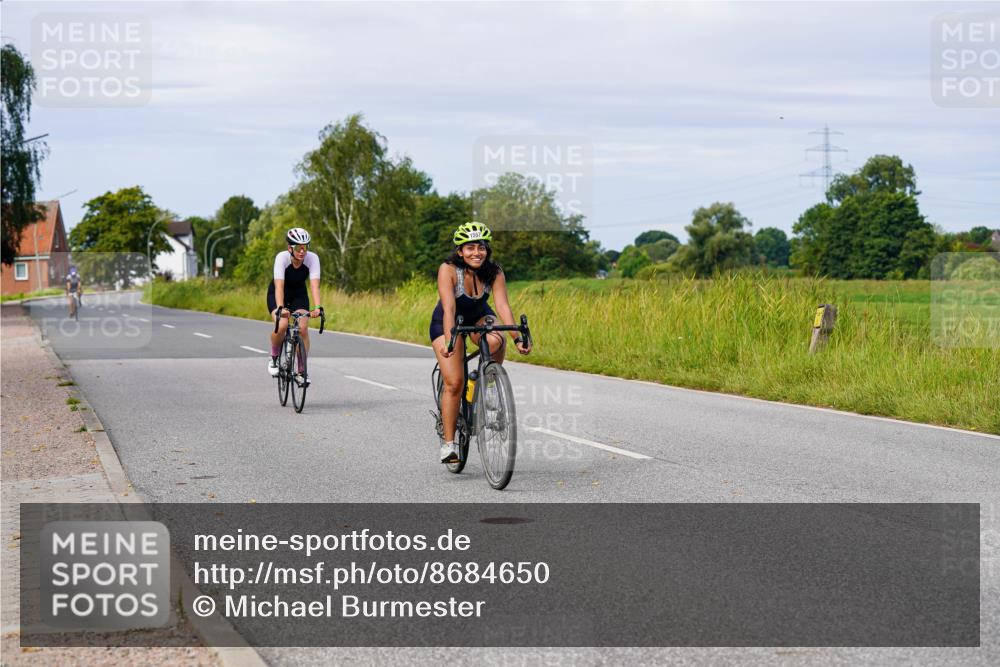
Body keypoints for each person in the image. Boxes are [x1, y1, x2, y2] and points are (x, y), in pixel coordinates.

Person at [430, 222, 531, 463]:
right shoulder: (448, 269)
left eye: (482, 247)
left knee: (497, 339)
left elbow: (502, 306)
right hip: (448, 320)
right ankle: (448, 443)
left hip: (478, 315)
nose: (477, 252)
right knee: (454, 383)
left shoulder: (494, 271)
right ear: (460, 251)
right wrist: (450, 340)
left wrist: (518, 338)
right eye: (471, 248)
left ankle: (483, 379)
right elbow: (449, 307)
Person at [267, 228, 322, 380]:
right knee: (283, 325)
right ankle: (274, 358)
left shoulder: (312, 259)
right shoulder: (282, 258)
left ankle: (301, 371)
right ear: (289, 247)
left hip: (299, 294)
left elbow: (314, 286)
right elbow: (279, 286)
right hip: (279, 293)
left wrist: (317, 307)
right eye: (298, 247)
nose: (302, 251)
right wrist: (280, 308)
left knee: (303, 328)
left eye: (306, 246)